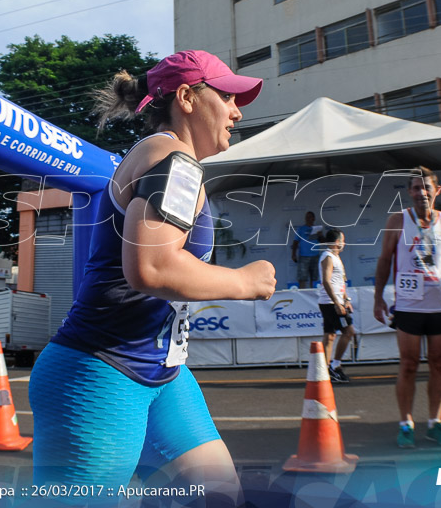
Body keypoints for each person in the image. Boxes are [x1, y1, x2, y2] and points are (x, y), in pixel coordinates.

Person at [28, 50, 275, 503]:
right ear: (186, 97)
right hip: (99, 374)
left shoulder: (169, 158)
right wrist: (245, 282)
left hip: (161, 374)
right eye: (227, 96)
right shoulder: (176, 159)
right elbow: (152, 267)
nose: (238, 111)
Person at [373, 166, 441, 449]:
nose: (421, 192)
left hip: (439, 306)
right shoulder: (398, 221)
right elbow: (385, 260)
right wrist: (378, 298)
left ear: (437, 190)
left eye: (426, 187)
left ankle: (436, 422)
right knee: (408, 365)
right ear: (409, 192)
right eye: (415, 187)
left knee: (438, 364)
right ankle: (405, 424)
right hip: (409, 306)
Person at [317, 229, 355, 384]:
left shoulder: (335, 257)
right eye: (343, 240)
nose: (344, 243)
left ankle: (325, 370)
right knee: (349, 332)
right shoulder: (327, 257)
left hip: (335, 301)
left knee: (330, 335)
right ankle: (335, 365)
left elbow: (340, 281)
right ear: (337, 242)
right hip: (330, 303)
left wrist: (346, 299)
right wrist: (338, 303)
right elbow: (326, 281)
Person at [291, 211, 323, 289]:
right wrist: (293, 254)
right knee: (302, 278)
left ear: (314, 218)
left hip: (315, 256)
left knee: (314, 278)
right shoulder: (301, 229)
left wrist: (320, 235)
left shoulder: (317, 229)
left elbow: (323, 241)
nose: (308, 219)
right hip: (304, 256)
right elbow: (295, 242)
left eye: (310, 217)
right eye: (307, 217)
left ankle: (313, 296)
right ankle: (302, 295)